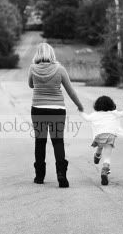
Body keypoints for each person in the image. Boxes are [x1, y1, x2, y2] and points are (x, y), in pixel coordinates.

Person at [28, 42, 84, 188]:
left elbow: (30, 85)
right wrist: (79, 105)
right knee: (58, 141)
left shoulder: (33, 68)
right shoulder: (60, 69)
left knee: (40, 141)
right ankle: (61, 174)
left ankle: (39, 176)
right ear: (51, 54)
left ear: (38, 54)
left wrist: (41, 84)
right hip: (57, 109)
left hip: (38, 108)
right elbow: (70, 91)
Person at [80, 96, 123, 185]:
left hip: (99, 136)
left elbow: (87, 118)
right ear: (111, 104)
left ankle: (97, 155)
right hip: (110, 136)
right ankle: (105, 171)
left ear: (97, 105)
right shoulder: (114, 113)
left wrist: (80, 111)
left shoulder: (95, 114)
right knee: (107, 156)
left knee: (100, 146)